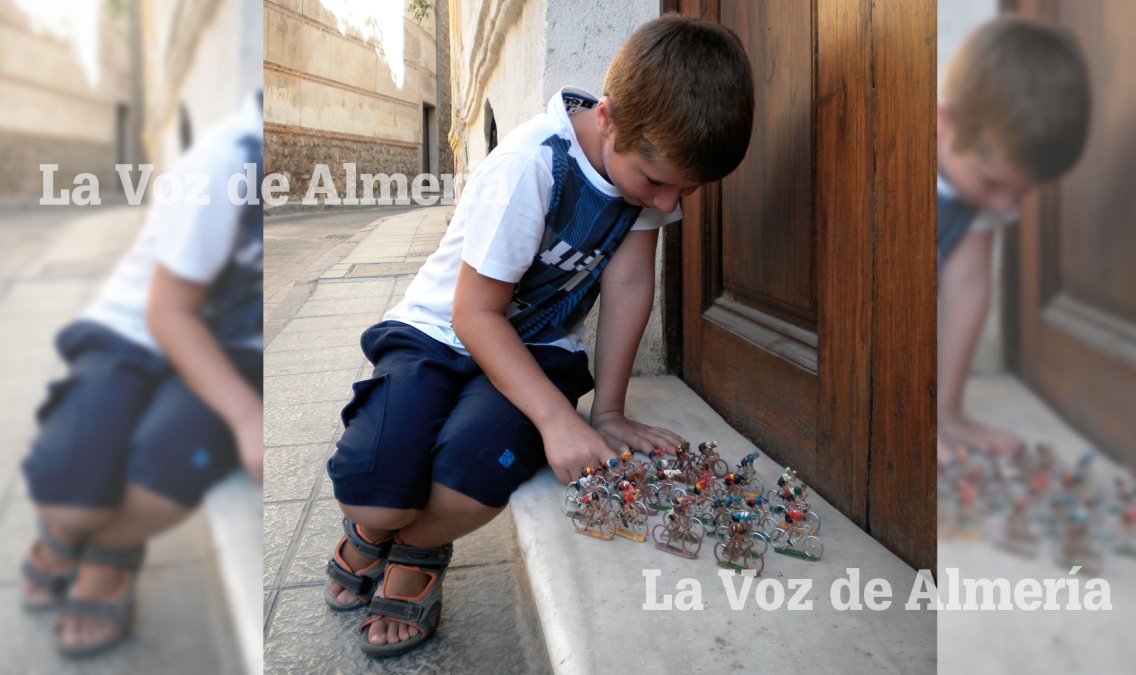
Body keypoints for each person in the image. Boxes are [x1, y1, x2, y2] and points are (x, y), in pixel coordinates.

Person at [322, 14, 755, 657]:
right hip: (440, 334)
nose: (670, 204)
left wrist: (605, 411)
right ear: (607, 118)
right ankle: (372, 529)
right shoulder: (532, 164)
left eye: (688, 188)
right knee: (380, 495)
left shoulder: (652, 166)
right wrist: (558, 421)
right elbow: (475, 317)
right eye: (659, 183)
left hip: (538, 349)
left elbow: (630, 286)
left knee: (468, 480)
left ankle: (416, 548)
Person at [19, 93, 264, 657]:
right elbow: (167, 312)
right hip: (134, 331)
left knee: (168, 463)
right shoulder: (228, 159)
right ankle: (65, 532)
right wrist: (247, 417)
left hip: (234, 346)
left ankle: (108, 555)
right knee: (71, 499)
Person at [937, 16, 1090, 454]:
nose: (1007, 206)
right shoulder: (895, 157)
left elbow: (968, 287)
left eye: (1023, 191)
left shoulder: (984, 185)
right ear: (942, 121)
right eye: (993, 183)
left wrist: (945, 413)